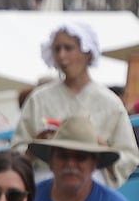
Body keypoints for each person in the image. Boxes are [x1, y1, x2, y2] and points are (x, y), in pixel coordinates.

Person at [11, 21, 139, 187]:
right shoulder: (39, 99)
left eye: (68, 48)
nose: (62, 55)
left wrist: (104, 151)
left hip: (92, 181)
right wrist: (34, 147)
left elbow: (128, 154)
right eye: (57, 49)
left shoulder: (109, 102)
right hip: (46, 180)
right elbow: (16, 148)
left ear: (87, 53)